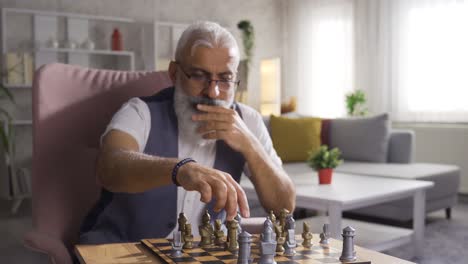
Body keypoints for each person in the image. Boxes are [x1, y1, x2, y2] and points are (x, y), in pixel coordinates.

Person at [79, 21, 295, 244]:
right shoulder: (140, 112)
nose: (213, 91)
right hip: (120, 251)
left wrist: (250, 145)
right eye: (199, 75)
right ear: (174, 73)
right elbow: (109, 167)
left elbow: (284, 206)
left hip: (202, 256)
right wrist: (180, 170)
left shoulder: (247, 120)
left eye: (225, 78)